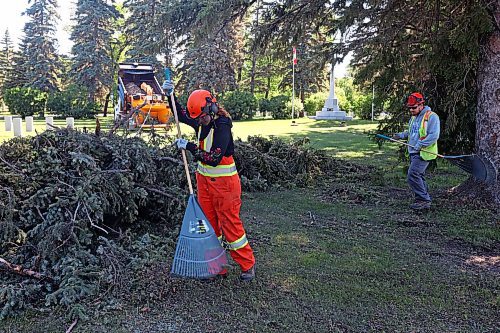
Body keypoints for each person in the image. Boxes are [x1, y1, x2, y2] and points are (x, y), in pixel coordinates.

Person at [163, 79, 256, 281]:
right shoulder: (200, 120)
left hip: (225, 187)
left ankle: (247, 265)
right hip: (204, 183)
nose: (201, 120)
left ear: (212, 107)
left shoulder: (222, 125)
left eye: (203, 116)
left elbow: (214, 158)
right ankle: (217, 268)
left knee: (231, 227)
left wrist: (190, 147)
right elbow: (180, 115)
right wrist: (170, 95)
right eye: (199, 117)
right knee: (210, 227)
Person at [392, 92, 440, 210]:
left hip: (424, 152)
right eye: (410, 108)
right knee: (419, 175)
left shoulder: (431, 117)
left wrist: (419, 145)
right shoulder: (414, 118)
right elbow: (412, 133)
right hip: (414, 152)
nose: (411, 110)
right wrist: (400, 135)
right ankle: (424, 198)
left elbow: (434, 135)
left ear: (421, 104)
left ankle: (423, 200)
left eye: (414, 107)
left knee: (412, 174)